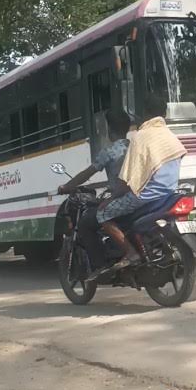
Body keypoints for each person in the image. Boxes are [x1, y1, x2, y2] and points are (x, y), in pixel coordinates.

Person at [94, 95, 185, 274]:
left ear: (145, 114)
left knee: (102, 213)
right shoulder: (170, 135)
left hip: (145, 196)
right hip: (169, 193)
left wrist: (111, 199)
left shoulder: (141, 136)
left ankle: (130, 253)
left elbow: (128, 178)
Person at [58, 109, 132, 271]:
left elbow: (87, 173)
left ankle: (100, 267)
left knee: (86, 222)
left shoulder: (110, 151)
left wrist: (67, 186)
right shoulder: (134, 147)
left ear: (109, 129)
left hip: (122, 199)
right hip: (138, 197)